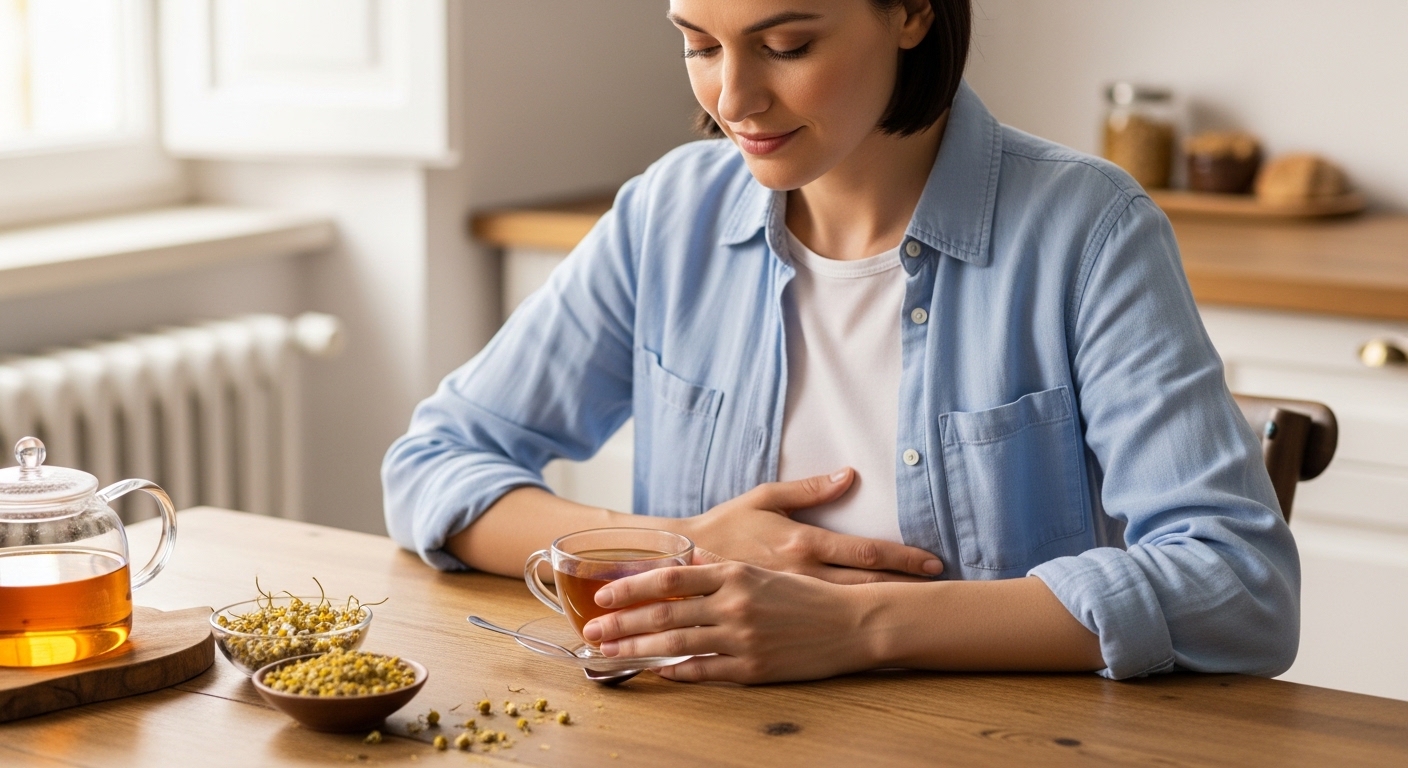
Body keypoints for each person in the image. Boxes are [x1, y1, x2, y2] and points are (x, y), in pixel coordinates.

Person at [382, 0, 1298, 684]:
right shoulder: (669, 214)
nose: (731, 98)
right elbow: (435, 463)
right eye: (698, 45)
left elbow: (1238, 584)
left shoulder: (1088, 230)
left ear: (909, 11)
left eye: (787, 45)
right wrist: (682, 545)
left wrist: (860, 628)